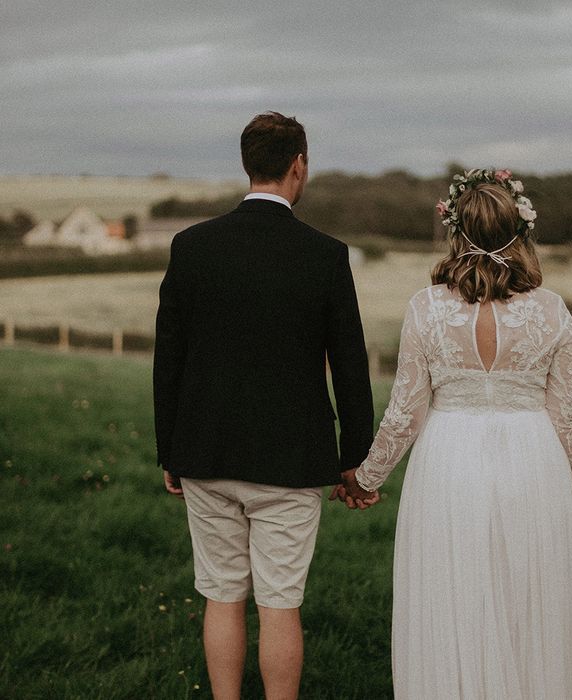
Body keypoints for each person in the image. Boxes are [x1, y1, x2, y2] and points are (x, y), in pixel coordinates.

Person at [335, 169, 572, 698]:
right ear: (520, 233)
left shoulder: (426, 307)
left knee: (453, 596)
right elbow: (568, 411)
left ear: (455, 232)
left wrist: (365, 477)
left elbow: (406, 409)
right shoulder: (551, 311)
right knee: (527, 600)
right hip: (533, 461)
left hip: (450, 460)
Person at [153, 111, 376, 700]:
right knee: (280, 604)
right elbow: (351, 368)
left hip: (204, 450)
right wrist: (356, 459)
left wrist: (169, 451)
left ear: (248, 164)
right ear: (298, 165)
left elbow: (168, 359)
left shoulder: (191, 246)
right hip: (291, 460)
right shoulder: (325, 255)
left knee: (222, 595)